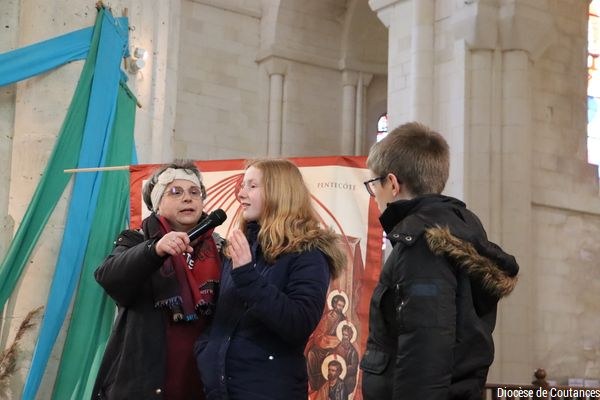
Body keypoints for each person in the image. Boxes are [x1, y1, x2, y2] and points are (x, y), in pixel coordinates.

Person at [359, 122, 519, 400]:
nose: (374, 197)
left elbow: (425, 347)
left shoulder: (422, 243)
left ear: (393, 183)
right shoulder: (460, 226)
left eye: (374, 185)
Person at [195, 158, 347, 400]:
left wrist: (247, 276)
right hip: (222, 392)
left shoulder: (308, 254)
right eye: (243, 185)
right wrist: (205, 350)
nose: (241, 194)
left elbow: (298, 323)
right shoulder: (243, 247)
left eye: (252, 186)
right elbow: (222, 319)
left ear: (279, 192)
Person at [92, 160, 222, 400]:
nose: (188, 198)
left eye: (195, 192)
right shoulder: (137, 241)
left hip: (201, 384)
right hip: (143, 385)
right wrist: (155, 250)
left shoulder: (221, 248)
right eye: (176, 192)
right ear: (157, 203)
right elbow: (107, 276)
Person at [306, 292, 348, 391]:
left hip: (336, 346)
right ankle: (314, 384)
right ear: (334, 304)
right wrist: (330, 341)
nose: (340, 308)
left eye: (342, 306)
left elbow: (344, 334)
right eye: (339, 305)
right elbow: (319, 334)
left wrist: (338, 341)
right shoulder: (327, 317)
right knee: (311, 354)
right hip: (324, 345)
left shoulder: (343, 319)